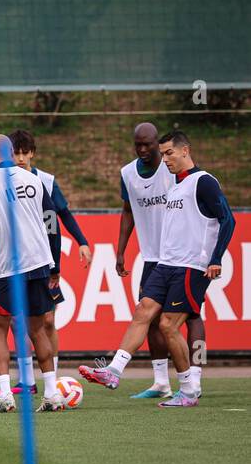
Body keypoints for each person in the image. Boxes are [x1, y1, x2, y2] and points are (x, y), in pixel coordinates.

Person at [81, 131, 234, 407]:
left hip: (191, 266)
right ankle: (113, 371)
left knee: (168, 325)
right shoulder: (175, 185)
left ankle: (188, 390)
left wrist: (216, 258)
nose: (165, 160)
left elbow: (228, 220)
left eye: (169, 153)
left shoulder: (204, 182)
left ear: (185, 150)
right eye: (162, 154)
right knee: (143, 311)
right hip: (166, 264)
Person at [0, 135, 64, 413]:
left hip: (6, 269)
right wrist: (54, 264)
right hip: (38, 264)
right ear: (12, 152)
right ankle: (51, 393)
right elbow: (52, 222)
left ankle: (5, 394)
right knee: (38, 329)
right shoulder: (34, 179)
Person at [8, 129, 92, 388]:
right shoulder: (4, 181)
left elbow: (63, 215)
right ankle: (26, 379)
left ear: (32, 153)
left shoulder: (45, 180)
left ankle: (51, 378)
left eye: (25, 152)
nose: (21, 158)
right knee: (16, 321)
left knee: (47, 320)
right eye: (16, 153)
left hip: (45, 261)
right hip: (16, 261)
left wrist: (82, 241)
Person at [114, 122, 185, 399]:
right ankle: (161, 382)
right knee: (152, 320)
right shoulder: (128, 173)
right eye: (138, 145)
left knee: (186, 320)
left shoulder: (173, 170)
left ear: (158, 143)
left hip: (181, 256)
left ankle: (193, 382)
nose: (143, 149)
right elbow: (128, 211)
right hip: (152, 258)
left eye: (148, 144)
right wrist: (121, 250)